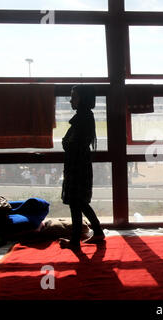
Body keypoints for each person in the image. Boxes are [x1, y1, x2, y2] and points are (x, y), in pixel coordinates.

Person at [59, 85, 104, 250]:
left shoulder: (82, 118)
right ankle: (96, 232)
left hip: (77, 165)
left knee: (76, 202)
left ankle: (76, 240)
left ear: (83, 99)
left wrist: (66, 143)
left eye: (74, 96)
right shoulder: (84, 116)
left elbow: (70, 144)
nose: (71, 100)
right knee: (79, 202)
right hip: (80, 163)